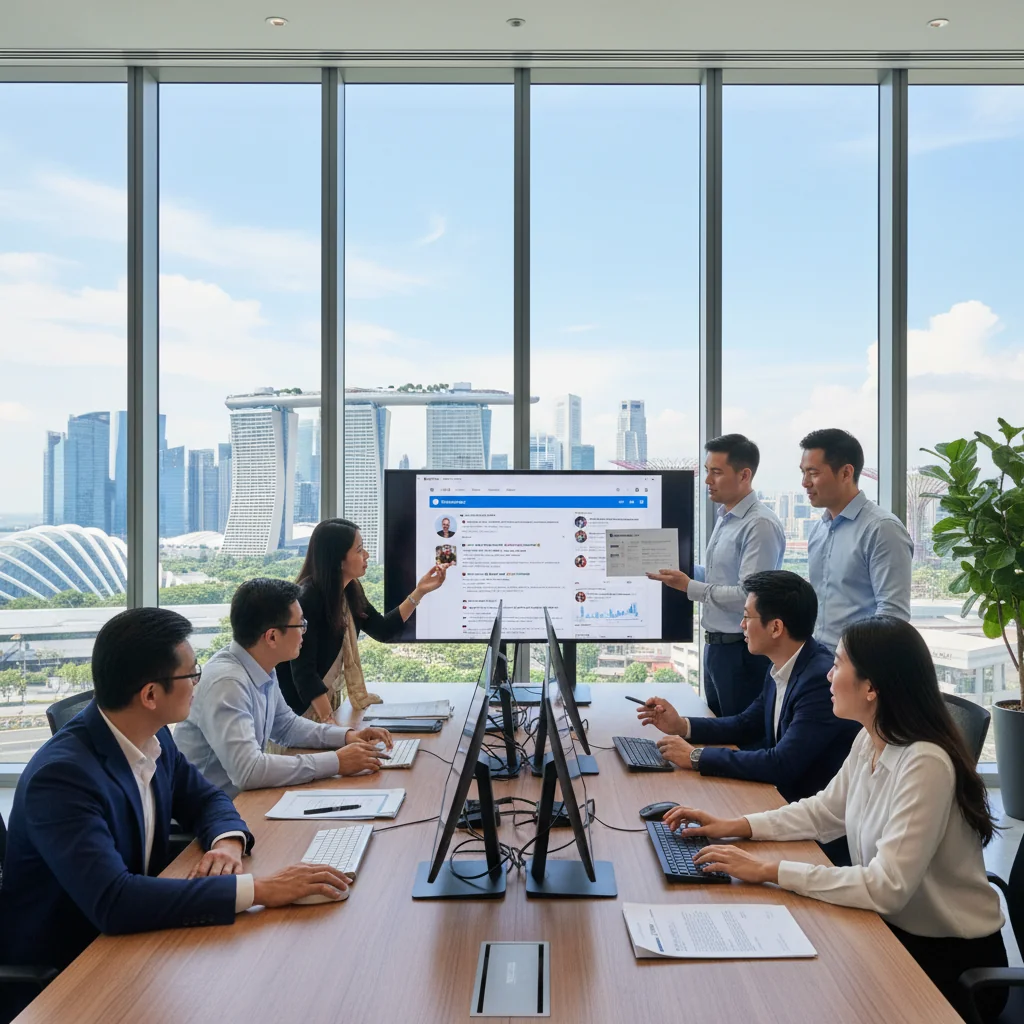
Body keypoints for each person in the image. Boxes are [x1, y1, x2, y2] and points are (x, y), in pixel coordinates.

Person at [0, 608, 352, 1014]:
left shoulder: (151, 735)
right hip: (70, 976)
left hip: (135, 947)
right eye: (192, 675)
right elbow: (114, 901)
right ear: (150, 695)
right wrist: (261, 890)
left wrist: (228, 842)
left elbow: (207, 799)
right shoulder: (61, 778)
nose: (198, 684)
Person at [665, 617, 1007, 1022]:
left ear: (871, 687)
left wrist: (768, 870)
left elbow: (887, 887)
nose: (828, 674)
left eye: (839, 664)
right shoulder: (872, 735)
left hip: (946, 960)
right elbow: (826, 811)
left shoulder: (924, 763)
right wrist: (736, 825)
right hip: (891, 930)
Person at [637, 571, 860, 830]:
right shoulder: (783, 665)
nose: (741, 625)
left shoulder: (818, 679)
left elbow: (781, 763)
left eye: (746, 616)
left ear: (776, 627)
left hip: (813, 825)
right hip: (781, 804)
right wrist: (681, 726)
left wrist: (697, 756)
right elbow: (745, 724)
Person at [175, 578, 394, 799]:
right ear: (271, 636)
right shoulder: (227, 683)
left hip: (243, 802)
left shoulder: (261, 666)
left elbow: (286, 726)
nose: (304, 633)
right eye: (300, 624)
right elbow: (248, 771)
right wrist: (336, 762)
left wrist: (347, 736)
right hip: (209, 817)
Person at [647, 434, 785, 718]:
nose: (708, 480)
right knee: (718, 733)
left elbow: (749, 597)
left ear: (744, 475)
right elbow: (716, 578)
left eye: (716, 472)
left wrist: (689, 587)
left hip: (742, 653)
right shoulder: (726, 517)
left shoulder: (759, 525)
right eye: (707, 471)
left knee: (738, 741)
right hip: (717, 649)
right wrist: (681, 573)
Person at [277, 518, 447, 718]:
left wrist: (420, 591)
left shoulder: (350, 590)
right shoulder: (307, 600)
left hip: (324, 706)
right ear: (338, 560)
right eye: (359, 550)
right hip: (298, 715)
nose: (366, 555)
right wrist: (331, 726)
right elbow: (304, 675)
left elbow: (383, 630)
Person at [800, 428, 913, 652]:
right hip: (818, 659)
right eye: (803, 473)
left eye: (813, 473)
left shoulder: (882, 529)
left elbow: (893, 615)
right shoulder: (819, 529)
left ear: (845, 473)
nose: (805, 482)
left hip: (858, 666)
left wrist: (856, 666)